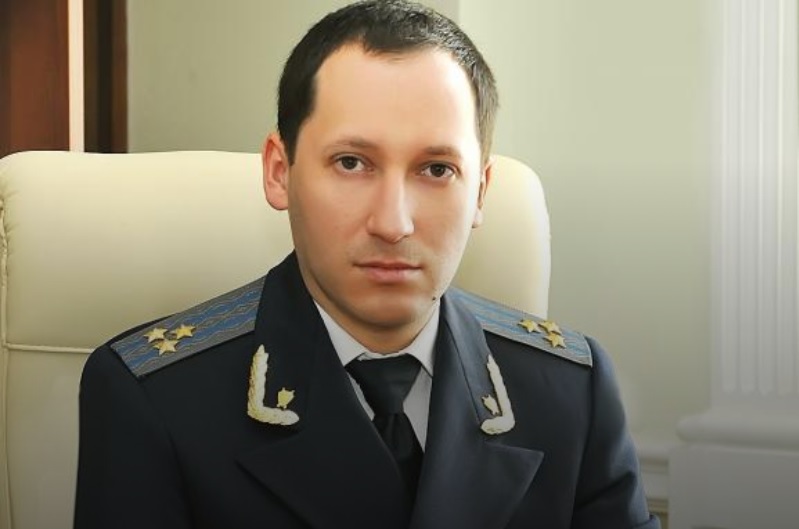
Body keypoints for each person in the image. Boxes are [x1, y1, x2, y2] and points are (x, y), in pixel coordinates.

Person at [74, 1, 659, 528]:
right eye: (352, 163)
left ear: (481, 192)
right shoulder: (155, 400)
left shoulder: (572, 392)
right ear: (279, 171)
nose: (393, 222)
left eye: (436, 170)